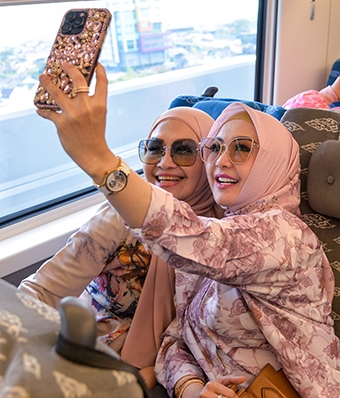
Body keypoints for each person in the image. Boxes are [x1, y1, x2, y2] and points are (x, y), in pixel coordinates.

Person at [36, 63, 340, 398]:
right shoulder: (217, 232)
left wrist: (99, 160)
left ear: (271, 162)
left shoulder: (284, 236)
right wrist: (193, 388)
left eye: (242, 148)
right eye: (216, 148)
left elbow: (192, 238)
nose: (222, 161)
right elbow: (177, 338)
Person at [19, 106, 222, 388]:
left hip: (165, 369)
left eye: (184, 150)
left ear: (209, 158)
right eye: (154, 149)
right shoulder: (121, 218)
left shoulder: (225, 232)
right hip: (89, 353)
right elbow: (43, 290)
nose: (164, 163)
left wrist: (154, 376)